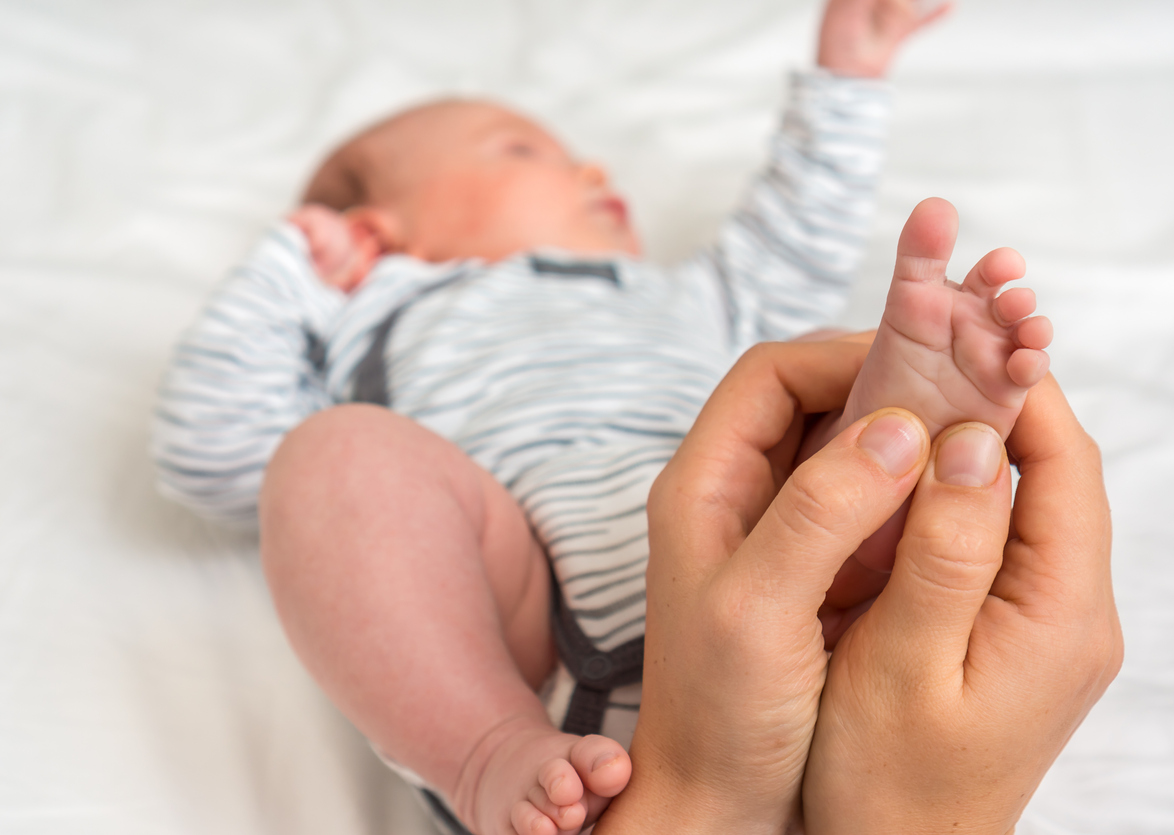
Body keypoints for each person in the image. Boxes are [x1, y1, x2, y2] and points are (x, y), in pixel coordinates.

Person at [148, 1, 1057, 832]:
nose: (589, 168)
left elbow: (793, 238)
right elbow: (213, 451)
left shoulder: (693, 295)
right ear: (381, 234)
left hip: (774, 591)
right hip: (535, 639)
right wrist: (293, 272)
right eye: (519, 151)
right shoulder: (381, 316)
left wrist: (845, 79)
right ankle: (483, 750)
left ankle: (900, 442)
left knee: (814, 378)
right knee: (335, 459)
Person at [592, 336, 1121, 833]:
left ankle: (875, 446)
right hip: (710, 595)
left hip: (725, 571)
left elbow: (801, 301)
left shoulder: (697, 291)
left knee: (827, 421)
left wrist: (697, 791)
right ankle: (879, 458)